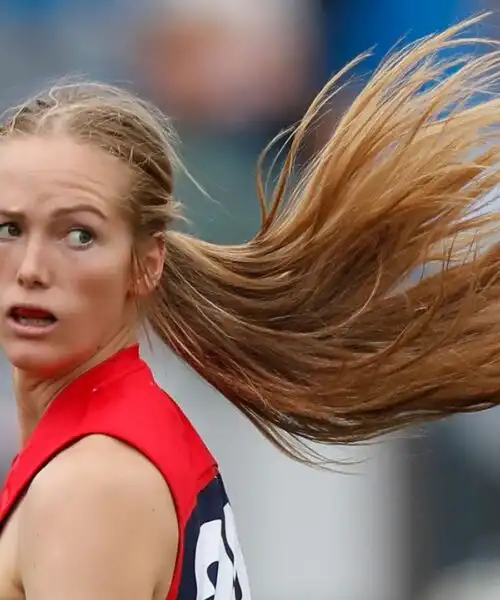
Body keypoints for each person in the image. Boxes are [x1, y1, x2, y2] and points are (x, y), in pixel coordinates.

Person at [0, 16, 500, 600]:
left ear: (146, 263)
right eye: (8, 227)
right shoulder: (117, 439)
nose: (32, 267)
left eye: (79, 235)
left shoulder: (88, 486)